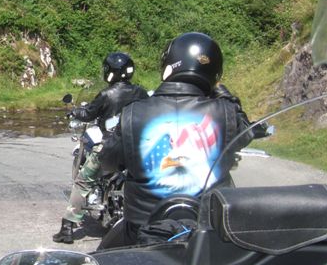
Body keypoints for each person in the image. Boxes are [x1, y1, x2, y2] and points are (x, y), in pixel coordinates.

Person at [97, 32, 254, 248]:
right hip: (208, 231)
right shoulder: (226, 112)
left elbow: (107, 161)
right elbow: (247, 133)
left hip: (143, 230)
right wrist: (224, 94)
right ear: (215, 73)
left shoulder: (133, 112)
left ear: (169, 65)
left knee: (101, 258)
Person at [52, 52, 148, 244]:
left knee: (83, 182)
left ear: (110, 72)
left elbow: (88, 114)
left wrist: (74, 112)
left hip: (111, 147)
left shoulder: (106, 94)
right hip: (136, 148)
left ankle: (67, 227)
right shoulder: (140, 92)